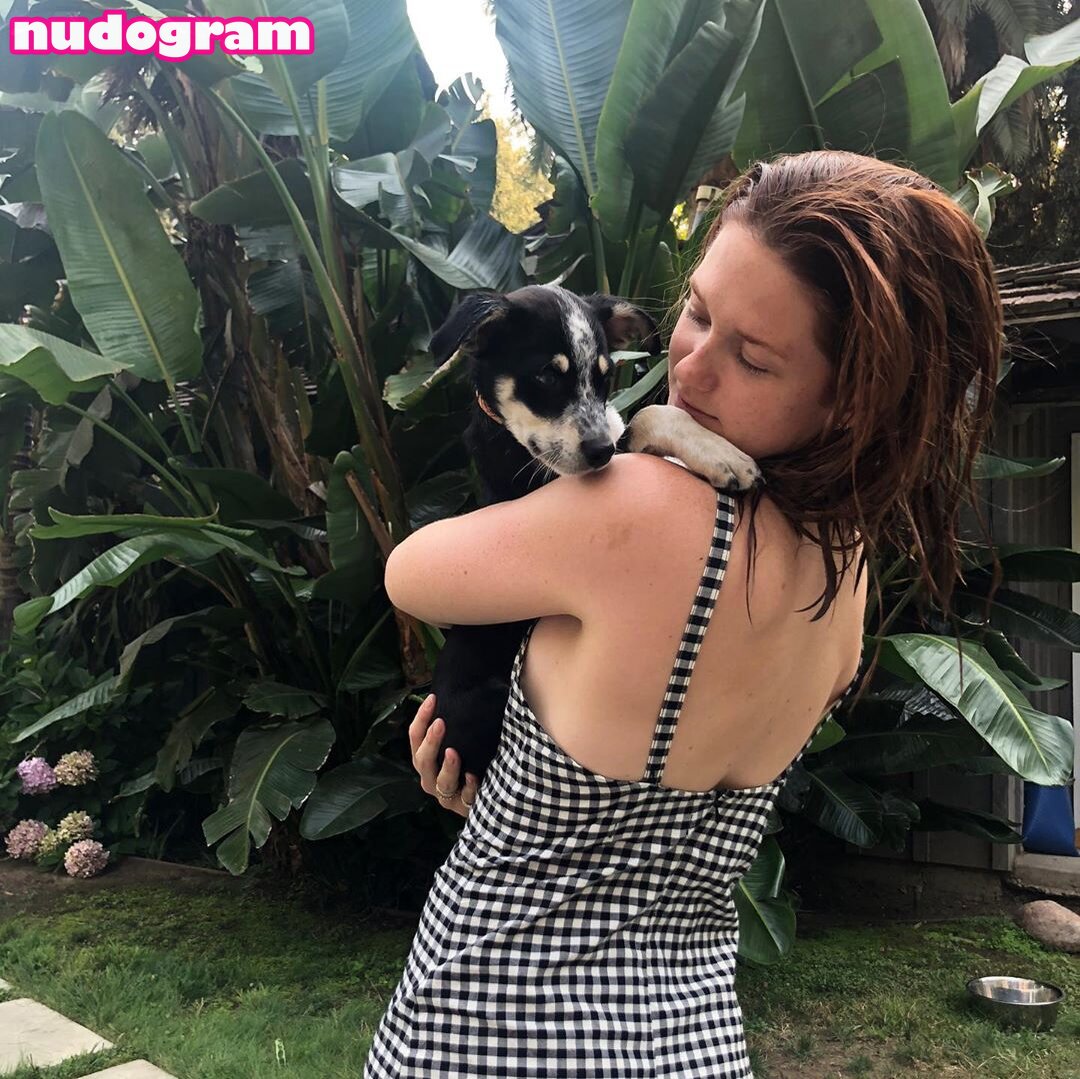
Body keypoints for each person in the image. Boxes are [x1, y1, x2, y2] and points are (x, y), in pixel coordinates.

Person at [362, 150, 1004, 1078]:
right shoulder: (848, 568)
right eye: (697, 313)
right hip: (691, 1039)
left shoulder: (634, 510)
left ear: (852, 401)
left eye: (753, 356)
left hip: (485, 1027)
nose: (692, 369)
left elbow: (410, 574)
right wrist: (503, 789)